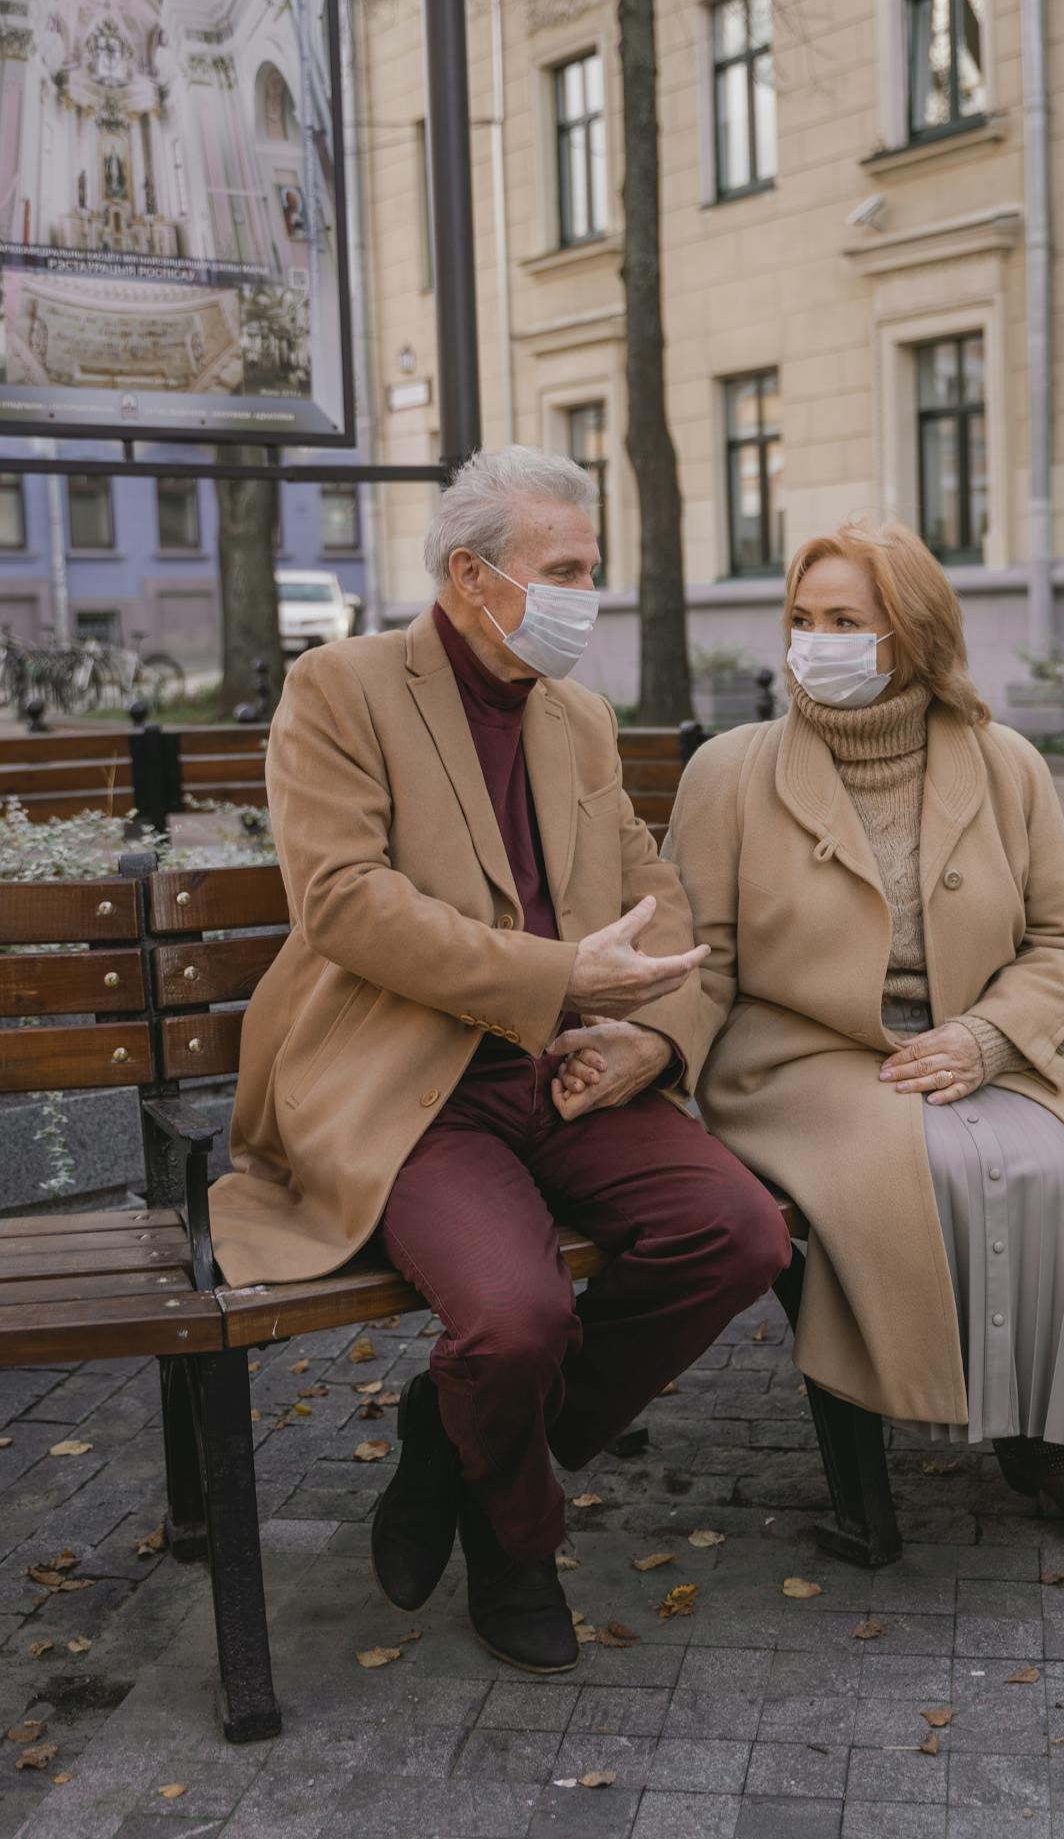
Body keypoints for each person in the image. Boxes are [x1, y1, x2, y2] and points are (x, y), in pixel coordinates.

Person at [211, 447, 792, 1674]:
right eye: (568, 569)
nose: (591, 592)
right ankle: (517, 1539)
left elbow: (658, 894)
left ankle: (455, 1438)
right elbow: (344, 902)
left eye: (594, 566)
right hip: (410, 1088)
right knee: (517, 1317)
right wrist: (554, 977)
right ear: (475, 577)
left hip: (572, 1070)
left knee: (740, 1234)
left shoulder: (572, 715)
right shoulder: (342, 687)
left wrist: (646, 1035)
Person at [621, 520, 1064, 1547]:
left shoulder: (1004, 764)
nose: (813, 639)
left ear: (909, 636)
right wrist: (655, 1049)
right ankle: (936, 1406)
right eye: (800, 617)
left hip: (969, 1042)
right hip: (800, 1057)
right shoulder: (732, 772)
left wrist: (988, 1035)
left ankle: (1051, 1442)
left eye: (844, 620)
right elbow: (706, 960)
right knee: (932, 1157)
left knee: (1049, 1157)